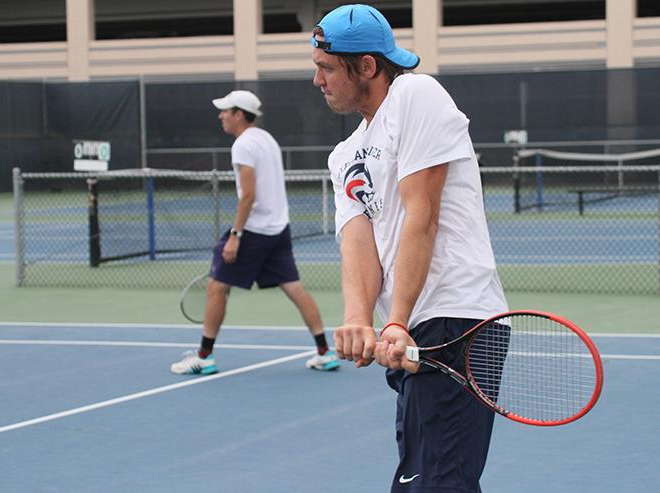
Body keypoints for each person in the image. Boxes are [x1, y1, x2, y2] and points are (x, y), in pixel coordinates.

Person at [311, 5, 508, 493]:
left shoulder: (416, 95)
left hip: (458, 321)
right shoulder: (345, 154)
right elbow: (359, 241)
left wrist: (395, 318)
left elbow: (423, 217)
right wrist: (359, 317)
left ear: (368, 66)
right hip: (414, 333)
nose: (317, 80)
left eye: (327, 68)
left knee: (435, 484)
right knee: (425, 481)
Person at [171, 90, 339, 375]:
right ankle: (324, 351)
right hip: (278, 229)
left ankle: (204, 356)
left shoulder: (243, 145)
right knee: (294, 287)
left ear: (239, 114)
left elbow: (248, 196)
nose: (221, 115)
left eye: (225, 110)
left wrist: (235, 236)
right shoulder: (267, 139)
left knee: (216, 286)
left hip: (255, 231)